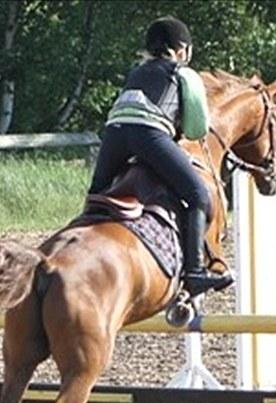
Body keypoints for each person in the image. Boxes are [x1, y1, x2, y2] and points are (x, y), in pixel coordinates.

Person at [87, 16, 232, 296]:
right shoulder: (183, 73)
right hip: (148, 135)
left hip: (114, 134)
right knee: (198, 194)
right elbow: (195, 128)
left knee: (97, 194)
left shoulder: (136, 71)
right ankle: (195, 272)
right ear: (182, 50)